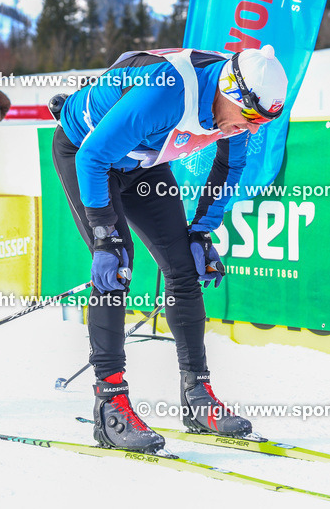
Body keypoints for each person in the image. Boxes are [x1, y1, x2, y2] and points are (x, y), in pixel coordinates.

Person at [50, 45, 287, 454]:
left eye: (262, 122)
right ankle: (110, 407)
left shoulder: (238, 104)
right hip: (86, 153)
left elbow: (230, 166)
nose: (251, 130)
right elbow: (93, 157)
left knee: (184, 267)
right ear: (229, 91)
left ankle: (197, 397)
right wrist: (105, 237)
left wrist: (202, 232)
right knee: (117, 266)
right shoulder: (167, 90)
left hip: (143, 163)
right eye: (249, 118)